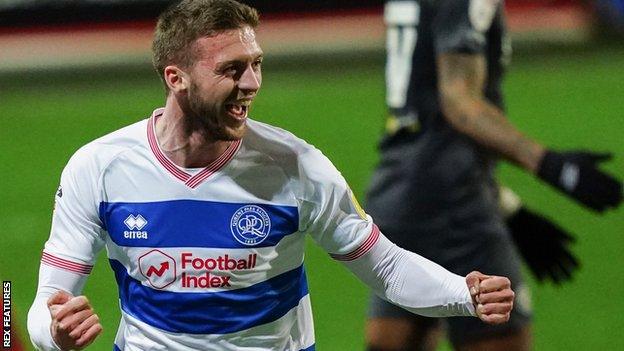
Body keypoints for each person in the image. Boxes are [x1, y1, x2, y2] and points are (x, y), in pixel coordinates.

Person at [26, 1, 515, 350]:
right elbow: (39, 306)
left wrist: (461, 293)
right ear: (176, 77)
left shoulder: (297, 166)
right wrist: (56, 334)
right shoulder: (100, 168)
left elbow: (384, 267)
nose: (253, 84)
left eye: (257, 65)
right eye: (233, 69)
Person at [365, 1, 623, 350]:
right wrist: (552, 167)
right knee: (502, 334)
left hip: (398, 194)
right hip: (456, 205)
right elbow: (458, 102)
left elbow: (426, 122)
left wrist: (508, 207)